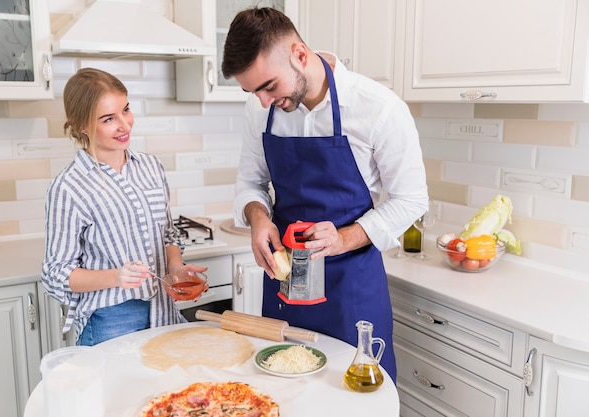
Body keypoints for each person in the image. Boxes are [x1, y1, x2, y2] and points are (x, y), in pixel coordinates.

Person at [221, 7, 429, 381]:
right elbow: (250, 182)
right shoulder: (261, 110)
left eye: (269, 86)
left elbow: (411, 200)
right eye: (253, 92)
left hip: (352, 287)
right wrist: (258, 218)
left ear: (300, 55)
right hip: (285, 283)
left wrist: (344, 238)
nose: (264, 101)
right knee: (284, 392)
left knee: (356, 398)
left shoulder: (379, 109)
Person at [41, 68, 206, 346]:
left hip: (163, 308)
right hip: (111, 318)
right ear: (82, 124)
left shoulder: (152, 167)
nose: (125, 125)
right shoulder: (69, 187)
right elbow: (56, 273)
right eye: (108, 119)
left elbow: (167, 234)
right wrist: (116, 276)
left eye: (126, 110)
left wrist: (175, 267)